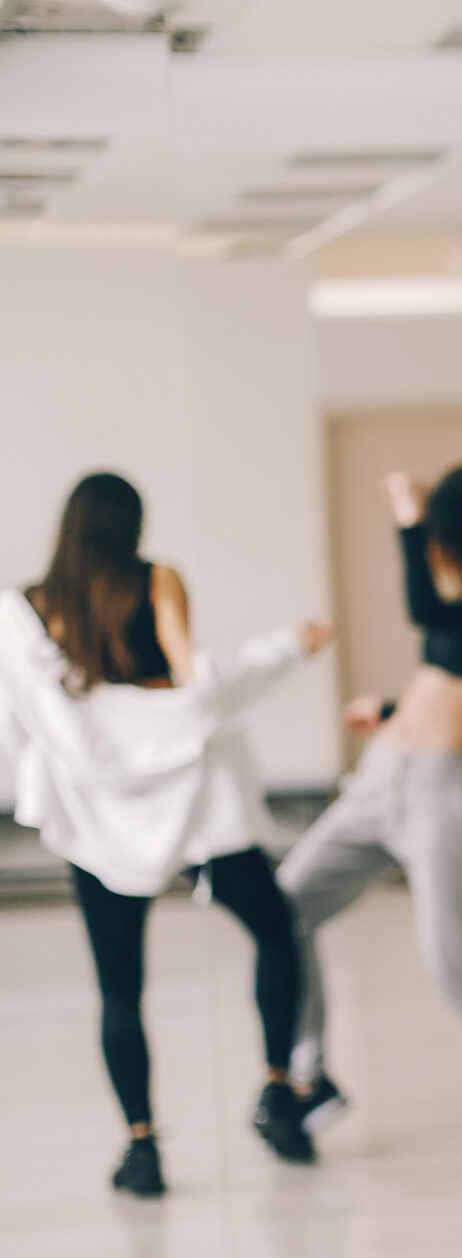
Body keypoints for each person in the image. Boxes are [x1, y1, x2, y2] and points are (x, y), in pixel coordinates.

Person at [0, 471, 332, 1195]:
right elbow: (195, 688)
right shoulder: (156, 581)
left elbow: (32, 721)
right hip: (196, 804)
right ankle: (279, 1092)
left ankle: (142, 1147)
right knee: (275, 930)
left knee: (120, 990)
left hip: (95, 818)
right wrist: (287, 646)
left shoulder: (26, 609)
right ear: (133, 525)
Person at [278, 465, 462, 1148]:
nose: (437, 556)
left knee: (447, 953)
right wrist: (392, 709)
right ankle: (308, 1074)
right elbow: (451, 677)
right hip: (379, 779)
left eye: (441, 543)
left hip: (439, 794)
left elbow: (433, 621)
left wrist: (407, 516)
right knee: (286, 908)